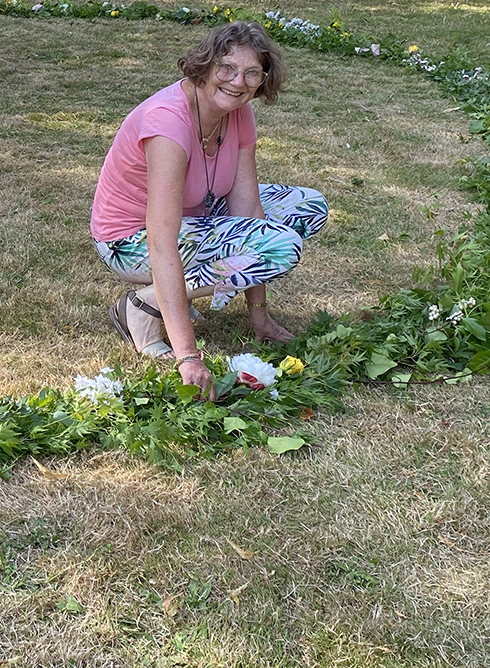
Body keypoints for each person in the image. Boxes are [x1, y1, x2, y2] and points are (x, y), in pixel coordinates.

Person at [91, 20, 329, 398]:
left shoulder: (238, 112)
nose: (238, 82)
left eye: (252, 73)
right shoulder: (169, 123)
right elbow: (161, 240)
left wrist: (259, 317)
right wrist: (187, 355)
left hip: (196, 214)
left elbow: (248, 210)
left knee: (306, 207)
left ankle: (173, 295)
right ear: (203, 66)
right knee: (280, 245)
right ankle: (144, 304)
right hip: (131, 240)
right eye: (227, 68)